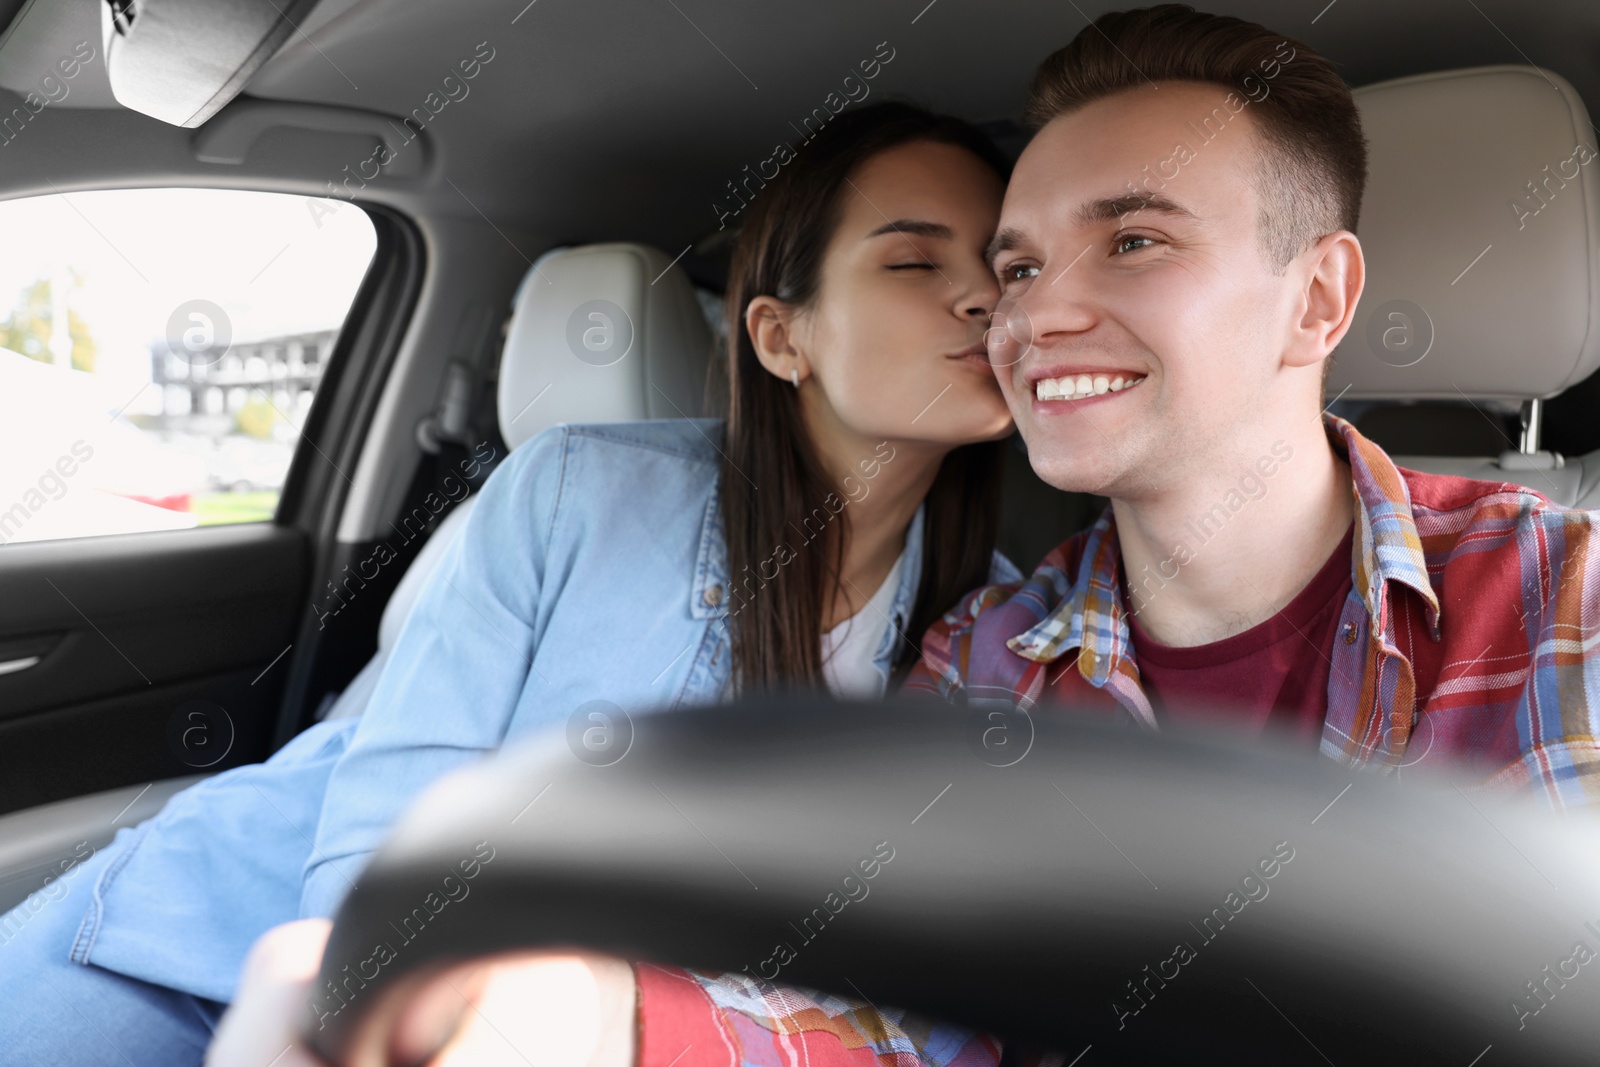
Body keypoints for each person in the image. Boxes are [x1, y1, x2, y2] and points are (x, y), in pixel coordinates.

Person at [211, 6, 1600, 1067]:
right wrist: (589, 1010)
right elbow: (868, 1012)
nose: (1028, 315)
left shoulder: (1562, 599)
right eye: (1019, 264)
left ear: (1316, 301)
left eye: (1133, 243)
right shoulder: (990, 655)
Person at [0, 101, 1019, 1065]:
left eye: (1005, 265)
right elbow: (395, 814)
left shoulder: (999, 628)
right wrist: (359, 1010)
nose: (981, 295)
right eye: (914, 260)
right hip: (209, 949)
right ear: (779, 335)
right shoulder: (583, 484)